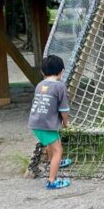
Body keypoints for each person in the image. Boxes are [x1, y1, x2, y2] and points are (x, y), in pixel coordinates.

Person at [27, 55, 73, 189]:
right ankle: (52, 181)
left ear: (42, 72)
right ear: (62, 71)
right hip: (46, 125)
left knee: (51, 143)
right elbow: (64, 109)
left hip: (35, 123)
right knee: (58, 150)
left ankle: (52, 160)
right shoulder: (60, 86)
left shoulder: (39, 85)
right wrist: (66, 123)